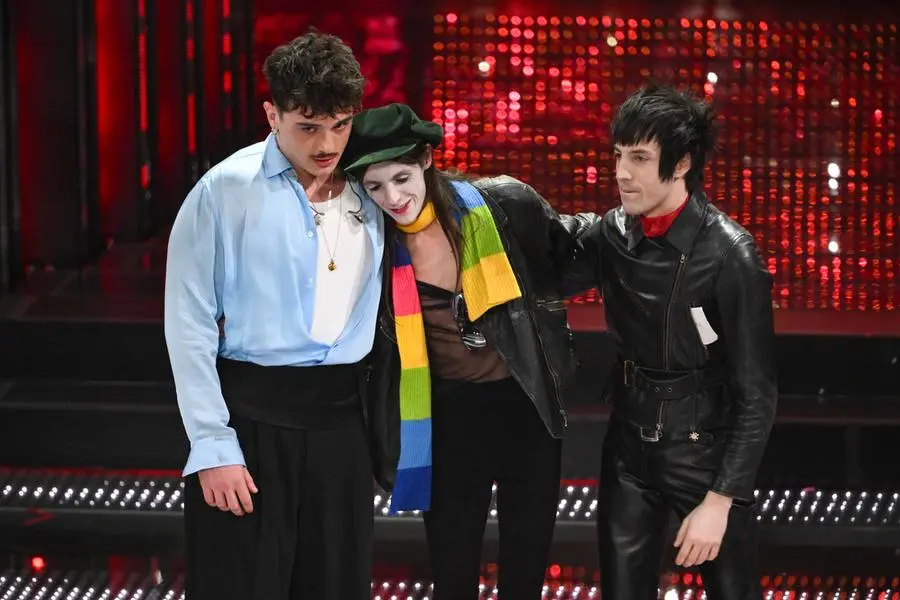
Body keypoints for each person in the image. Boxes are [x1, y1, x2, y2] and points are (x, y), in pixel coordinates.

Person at [164, 31, 389, 600]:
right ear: (272, 114)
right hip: (252, 422)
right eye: (308, 126)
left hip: (341, 425)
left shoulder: (373, 188)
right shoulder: (224, 190)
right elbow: (187, 323)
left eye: (340, 125)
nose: (327, 143)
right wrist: (213, 446)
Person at [340, 103, 584, 599]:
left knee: (525, 576)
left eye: (402, 177)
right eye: (375, 187)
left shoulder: (505, 204)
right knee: (452, 577)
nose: (393, 197)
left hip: (526, 411)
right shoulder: (370, 244)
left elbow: (575, 251)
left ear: (427, 158)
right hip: (448, 419)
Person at [574, 84, 778, 598]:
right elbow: (548, 258)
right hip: (627, 446)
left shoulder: (731, 255)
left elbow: (757, 395)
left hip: (703, 453)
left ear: (682, 162)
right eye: (618, 155)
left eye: (640, 158)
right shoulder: (612, 233)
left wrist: (721, 499)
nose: (622, 172)